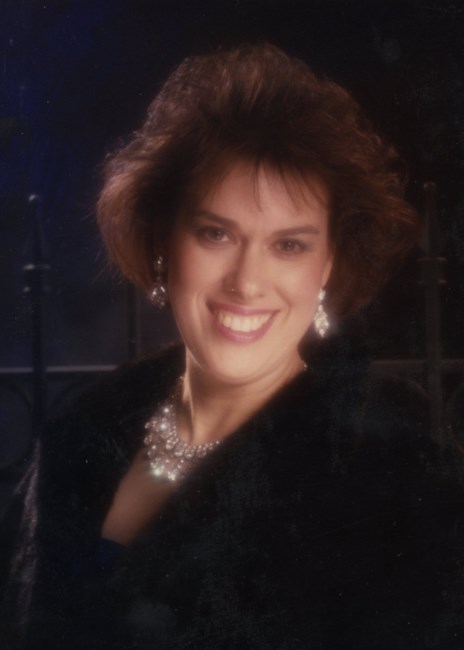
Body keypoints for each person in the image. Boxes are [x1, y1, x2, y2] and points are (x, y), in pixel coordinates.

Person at [2, 42, 463, 649]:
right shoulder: (80, 436)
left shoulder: (394, 467)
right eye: (216, 234)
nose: (247, 282)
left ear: (327, 265)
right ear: (164, 241)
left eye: (289, 245)